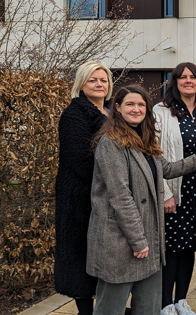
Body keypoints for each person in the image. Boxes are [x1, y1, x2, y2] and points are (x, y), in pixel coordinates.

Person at [86, 85, 196, 315]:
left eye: (141, 105)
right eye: (130, 104)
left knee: (148, 307)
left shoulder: (145, 139)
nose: (136, 109)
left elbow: (167, 168)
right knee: (111, 308)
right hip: (120, 242)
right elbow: (120, 197)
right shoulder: (110, 143)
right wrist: (139, 241)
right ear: (117, 108)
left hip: (149, 241)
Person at [154, 62, 196, 314]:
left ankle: (182, 300)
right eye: (182, 77)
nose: (188, 81)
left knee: (188, 246)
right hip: (175, 189)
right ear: (174, 81)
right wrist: (166, 193)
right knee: (171, 248)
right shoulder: (161, 111)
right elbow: (154, 153)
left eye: (193, 77)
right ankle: (165, 303)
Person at [54, 60, 113, 315]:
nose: (99, 84)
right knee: (80, 254)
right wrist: (116, 179)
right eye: (93, 80)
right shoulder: (74, 114)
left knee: (102, 252)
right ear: (81, 84)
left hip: (106, 194)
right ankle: (85, 311)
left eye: (103, 80)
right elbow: (79, 158)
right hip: (80, 197)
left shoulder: (112, 112)